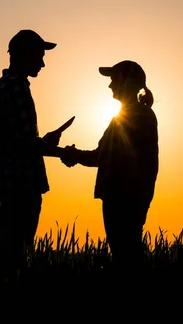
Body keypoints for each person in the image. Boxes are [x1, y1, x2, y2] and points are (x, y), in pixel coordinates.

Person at [61, 60, 159, 274]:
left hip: (123, 199)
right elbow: (104, 157)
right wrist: (73, 155)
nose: (110, 86)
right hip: (126, 198)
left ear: (126, 82)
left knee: (126, 258)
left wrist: (71, 154)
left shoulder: (134, 117)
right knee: (127, 255)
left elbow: (101, 157)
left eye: (114, 80)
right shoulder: (135, 115)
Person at [0, 29, 70, 280]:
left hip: (11, 182)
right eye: (39, 56)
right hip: (21, 183)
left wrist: (44, 142)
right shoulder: (16, 87)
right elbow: (24, 145)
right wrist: (60, 151)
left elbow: (18, 140)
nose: (43, 63)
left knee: (10, 254)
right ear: (23, 55)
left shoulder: (5, 86)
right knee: (16, 257)